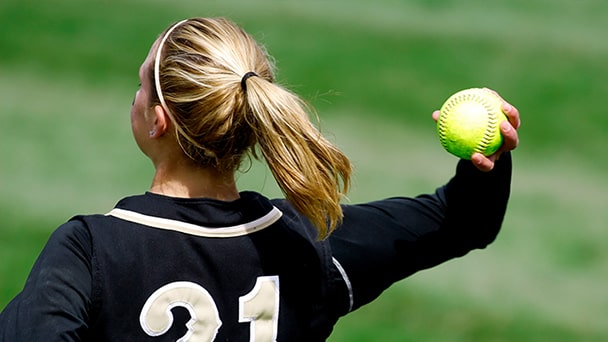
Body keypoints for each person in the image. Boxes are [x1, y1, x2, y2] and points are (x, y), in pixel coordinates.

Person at [0, 17, 520, 341]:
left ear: (157, 120)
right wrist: (488, 152)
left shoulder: (90, 252)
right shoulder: (305, 244)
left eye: (141, 85)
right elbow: (464, 221)